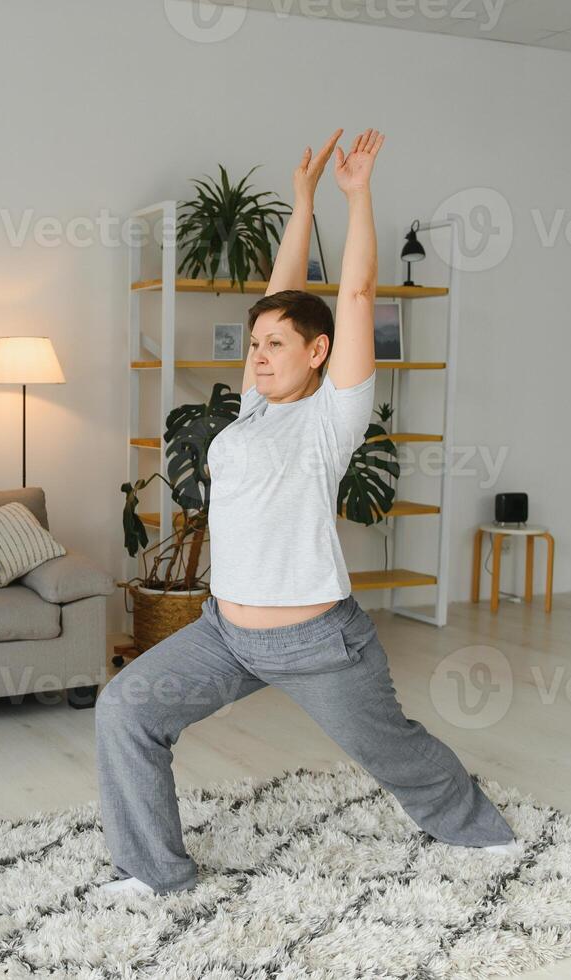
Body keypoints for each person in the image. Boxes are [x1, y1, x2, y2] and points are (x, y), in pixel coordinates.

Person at [94, 129, 519, 897]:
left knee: (391, 750)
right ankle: (154, 873)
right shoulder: (254, 409)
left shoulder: (332, 417)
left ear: (317, 353)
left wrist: (355, 198)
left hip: (315, 642)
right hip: (224, 631)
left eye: (274, 345)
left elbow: (352, 295)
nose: (255, 354)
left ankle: (477, 829)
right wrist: (299, 204)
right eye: (253, 343)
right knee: (125, 707)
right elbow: (275, 297)